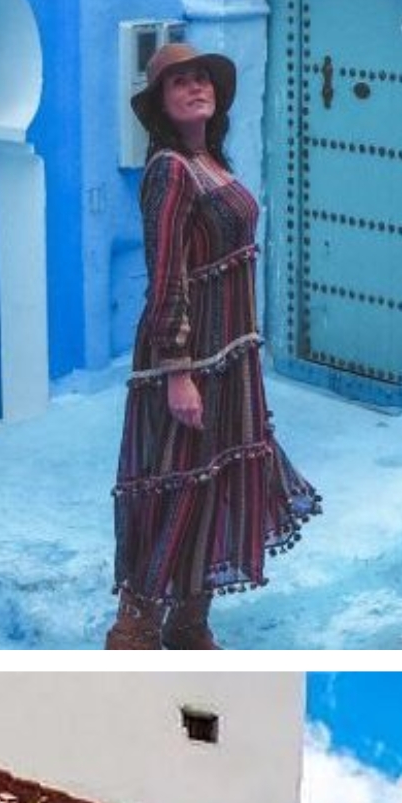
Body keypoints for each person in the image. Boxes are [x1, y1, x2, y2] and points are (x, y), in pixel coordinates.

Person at [108, 37, 321, 650]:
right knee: (174, 479)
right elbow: (167, 273)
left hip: (231, 358)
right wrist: (178, 370)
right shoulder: (170, 172)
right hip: (192, 358)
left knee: (216, 482)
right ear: (160, 105)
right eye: (179, 83)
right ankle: (135, 626)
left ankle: (191, 623)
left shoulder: (214, 165)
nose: (195, 87)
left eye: (203, 79)